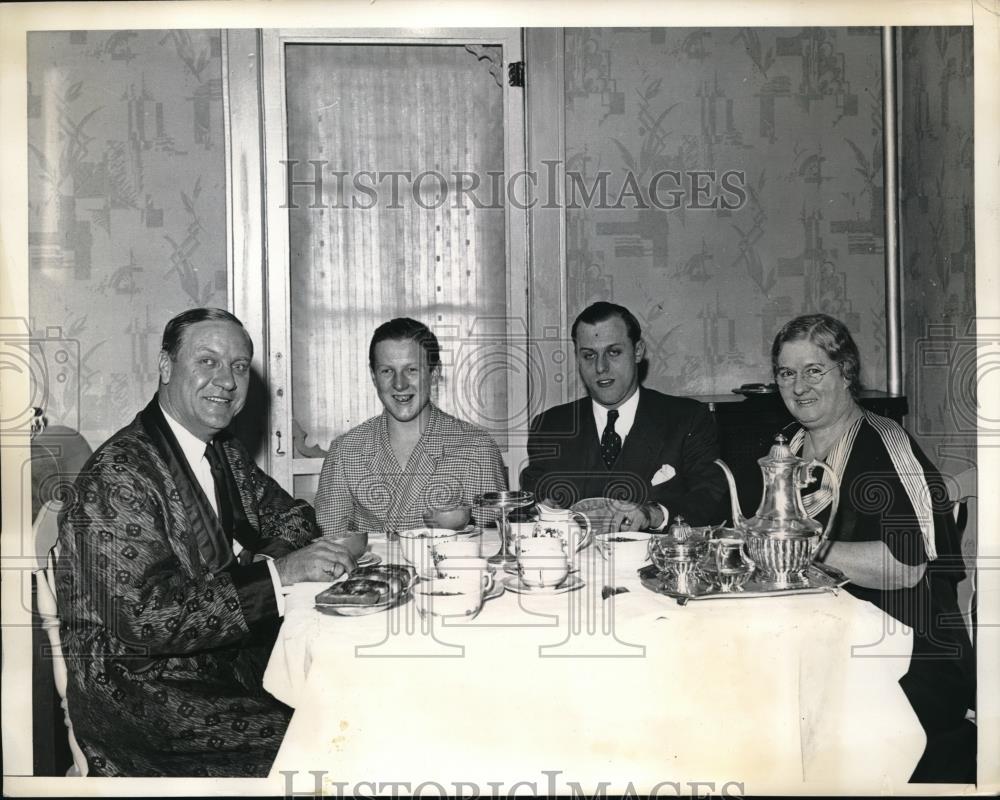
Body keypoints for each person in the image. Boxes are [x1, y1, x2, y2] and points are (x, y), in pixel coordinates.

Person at [55, 308, 357, 777]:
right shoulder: (118, 477)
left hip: (223, 657)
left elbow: (296, 518)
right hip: (145, 694)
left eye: (239, 366)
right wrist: (277, 573)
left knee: (356, 690)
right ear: (165, 366)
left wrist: (254, 563)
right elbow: (145, 622)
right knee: (333, 742)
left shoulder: (223, 451)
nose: (227, 381)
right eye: (207, 361)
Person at [771, 313, 975, 783]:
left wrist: (801, 552)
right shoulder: (789, 445)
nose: (798, 386)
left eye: (813, 370)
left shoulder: (883, 445)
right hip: (826, 639)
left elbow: (905, 568)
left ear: (846, 373)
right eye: (786, 373)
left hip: (910, 654)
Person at [520, 301, 727, 531]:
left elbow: (711, 498)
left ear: (638, 351)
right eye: (589, 355)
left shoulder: (687, 418)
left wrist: (654, 513)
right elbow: (530, 505)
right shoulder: (550, 426)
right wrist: (538, 511)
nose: (601, 367)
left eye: (613, 352)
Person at [315, 317, 506, 535]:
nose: (399, 384)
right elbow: (330, 545)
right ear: (373, 377)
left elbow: (493, 542)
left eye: (412, 370)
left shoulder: (477, 449)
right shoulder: (345, 451)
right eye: (387, 371)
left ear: (434, 374)